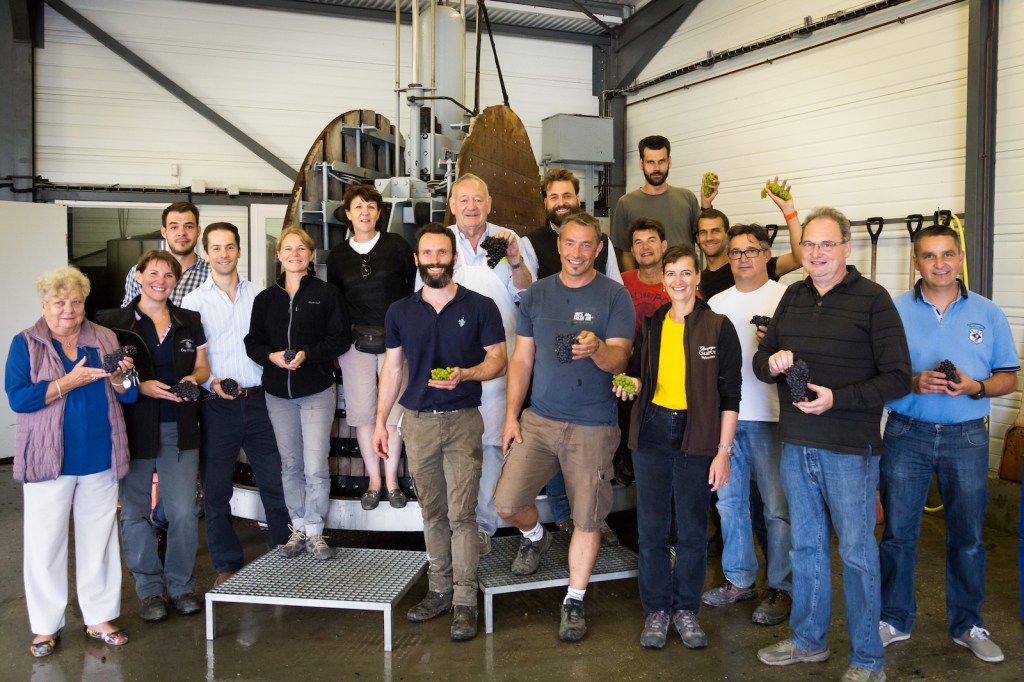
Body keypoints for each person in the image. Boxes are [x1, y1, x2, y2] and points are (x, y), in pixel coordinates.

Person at [753, 207, 911, 682]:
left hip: (849, 450)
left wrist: (837, 400)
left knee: (857, 554)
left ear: (847, 247)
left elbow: (898, 378)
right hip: (796, 443)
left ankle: (868, 659)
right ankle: (808, 641)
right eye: (809, 244)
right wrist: (772, 362)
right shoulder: (792, 296)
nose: (816, 253)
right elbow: (762, 361)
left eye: (827, 244)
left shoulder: (873, 300)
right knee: (806, 547)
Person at [878, 225, 1019, 664]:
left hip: (967, 436)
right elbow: (875, 376)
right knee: (898, 534)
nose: (939, 264)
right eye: (929, 255)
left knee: (968, 537)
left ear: (960, 258)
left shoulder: (988, 313)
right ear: (916, 262)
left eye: (946, 254)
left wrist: (977, 387)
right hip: (906, 433)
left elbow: (1009, 377)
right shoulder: (893, 311)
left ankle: (967, 623)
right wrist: (912, 381)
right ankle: (894, 618)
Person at [494, 212, 635, 642]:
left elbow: (620, 359)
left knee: (587, 518)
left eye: (586, 244)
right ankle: (535, 536)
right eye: (570, 243)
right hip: (539, 419)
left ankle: (574, 599)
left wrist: (597, 349)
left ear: (598, 249)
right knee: (506, 502)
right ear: (559, 246)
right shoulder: (537, 293)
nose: (577, 252)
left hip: (593, 424)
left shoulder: (615, 296)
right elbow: (522, 359)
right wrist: (511, 416)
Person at [372, 223, 507, 642]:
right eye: (427, 254)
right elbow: (393, 368)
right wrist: (381, 421)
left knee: (462, 515)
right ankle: (439, 590)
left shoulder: (480, 306)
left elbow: (499, 361)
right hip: (418, 423)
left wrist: (466, 373)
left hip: (463, 420)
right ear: (417, 260)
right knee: (432, 512)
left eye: (442, 253)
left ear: (454, 257)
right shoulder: (400, 311)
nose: (435, 261)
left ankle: (465, 601)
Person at [615, 244, 740, 650]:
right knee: (651, 529)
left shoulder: (718, 327)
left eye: (686, 273)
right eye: (671, 274)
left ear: (698, 277)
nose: (678, 281)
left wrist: (723, 451)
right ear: (663, 280)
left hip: (697, 435)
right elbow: (642, 376)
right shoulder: (652, 324)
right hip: (652, 432)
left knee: (691, 530)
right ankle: (656, 610)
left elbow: (730, 395)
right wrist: (630, 384)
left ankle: (686, 609)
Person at [6, 267, 136, 656]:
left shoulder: (105, 337)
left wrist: (121, 378)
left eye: (76, 301)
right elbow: (18, 399)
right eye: (60, 302)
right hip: (48, 459)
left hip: (100, 454)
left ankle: (99, 618)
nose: (69, 309)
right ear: (44, 305)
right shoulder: (26, 343)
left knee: (100, 540)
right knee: (45, 543)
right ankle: (45, 627)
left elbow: (128, 395)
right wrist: (67, 383)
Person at [101, 251, 210, 623]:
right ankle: (149, 590)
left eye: (168, 275)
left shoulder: (189, 320)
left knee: (183, 512)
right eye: (153, 273)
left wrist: (194, 379)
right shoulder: (113, 323)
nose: (160, 280)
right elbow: (109, 374)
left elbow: (202, 365)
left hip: (179, 425)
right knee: (135, 512)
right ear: (139, 275)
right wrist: (139, 384)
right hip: (132, 426)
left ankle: (181, 587)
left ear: (176, 281)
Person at [181, 223, 291, 587]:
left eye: (229, 247)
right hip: (216, 406)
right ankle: (226, 564)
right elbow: (191, 358)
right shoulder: (193, 303)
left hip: (260, 402)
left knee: (275, 482)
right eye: (216, 248)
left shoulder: (260, 296)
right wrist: (210, 381)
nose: (224, 254)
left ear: (239, 251)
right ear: (206, 253)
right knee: (216, 491)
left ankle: (283, 552)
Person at [435, 173, 532, 555]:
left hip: (500, 357)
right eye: (464, 200)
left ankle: (483, 528)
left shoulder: (509, 240)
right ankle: (456, 525)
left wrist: (516, 260)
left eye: (478, 199)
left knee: (491, 444)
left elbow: (527, 293)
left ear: (489, 204)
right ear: (452, 205)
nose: (471, 207)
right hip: (450, 361)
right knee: (455, 445)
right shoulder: (440, 242)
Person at [703, 224, 792, 626]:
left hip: (771, 417)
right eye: (736, 252)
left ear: (767, 255)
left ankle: (782, 586)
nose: (743, 258)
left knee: (776, 509)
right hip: (727, 420)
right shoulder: (716, 302)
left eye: (751, 251)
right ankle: (739, 579)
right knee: (730, 505)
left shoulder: (785, 297)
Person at [245, 226, 350, 561]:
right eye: (288, 249)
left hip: (316, 390)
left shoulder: (327, 294)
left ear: (310, 255)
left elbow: (340, 339)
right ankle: (298, 528)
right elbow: (253, 342)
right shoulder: (265, 299)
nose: (294, 254)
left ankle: (316, 531)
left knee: (315, 465)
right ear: (278, 255)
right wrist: (272, 356)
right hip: (278, 394)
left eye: (301, 248)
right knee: (290, 464)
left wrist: (308, 354)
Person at [326, 185, 416, 510]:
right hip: (355, 343)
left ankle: (391, 481)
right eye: (358, 207)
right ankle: (373, 481)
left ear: (379, 213)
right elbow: (335, 302)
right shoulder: (337, 257)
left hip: (396, 341)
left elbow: (413, 289)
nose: (365, 212)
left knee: (393, 413)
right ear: (348, 214)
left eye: (371, 206)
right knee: (363, 414)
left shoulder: (397, 246)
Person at [696, 177, 804, 300]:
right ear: (697, 238)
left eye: (716, 231)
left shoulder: (751, 264)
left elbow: (799, 258)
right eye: (703, 232)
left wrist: (789, 211)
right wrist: (705, 207)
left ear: (727, 235)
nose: (709, 237)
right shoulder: (698, 281)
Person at [610, 135, 700, 270]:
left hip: (683, 280)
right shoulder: (626, 204)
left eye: (661, 161)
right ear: (641, 164)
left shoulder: (687, 198)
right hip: (645, 282)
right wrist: (634, 282)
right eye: (651, 162)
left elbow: (705, 239)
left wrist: (707, 205)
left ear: (669, 161)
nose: (657, 168)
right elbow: (626, 254)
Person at [521, 167, 622, 283]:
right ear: (545, 203)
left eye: (567, 196)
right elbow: (527, 290)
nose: (561, 203)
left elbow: (617, 286)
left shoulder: (602, 241)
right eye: (554, 197)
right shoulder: (530, 244)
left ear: (578, 200)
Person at [122, 201, 211, 306]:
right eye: (174, 227)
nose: (181, 233)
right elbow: (128, 313)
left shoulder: (212, 274)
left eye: (188, 226)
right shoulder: (140, 272)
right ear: (164, 232)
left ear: (198, 231)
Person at [621, 217, 670, 337]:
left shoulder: (680, 284)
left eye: (651, 240)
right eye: (638, 242)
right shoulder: (620, 283)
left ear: (664, 246)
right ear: (632, 251)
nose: (645, 246)